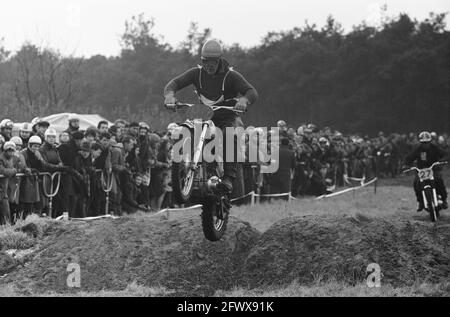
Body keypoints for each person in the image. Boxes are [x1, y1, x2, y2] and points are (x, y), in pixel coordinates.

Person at [164, 39, 258, 195]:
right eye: (206, 61)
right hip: (204, 114)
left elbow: (252, 91)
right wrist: (169, 96)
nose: (209, 65)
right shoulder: (196, 73)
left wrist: (244, 100)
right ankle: (187, 164)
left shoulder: (231, 76)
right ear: (202, 60)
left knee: (229, 134)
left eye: (213, 62)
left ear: (219, 60)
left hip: (225, 116)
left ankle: (228, 177)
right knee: (187, 129)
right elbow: (174, 83)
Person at [404, 131, 448, 211]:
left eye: (427, 142)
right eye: (423, 143)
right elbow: (409, 157)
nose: (425, 144)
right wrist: (407, 164)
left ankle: (444, 200)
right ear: (421, 142)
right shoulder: (417, 149)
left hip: (434, 169)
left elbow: (444, 154)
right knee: (416, 183)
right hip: (421, 170)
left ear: (430, 141)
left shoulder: (435, 147)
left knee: (439, 180)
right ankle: (421, 202)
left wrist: (442, 161)